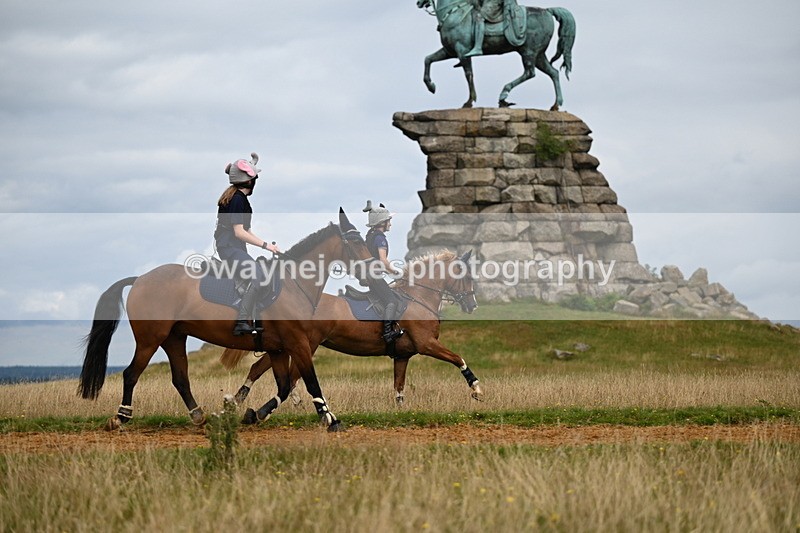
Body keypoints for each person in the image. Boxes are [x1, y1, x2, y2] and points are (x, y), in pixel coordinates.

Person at [214, 152, 280, 336]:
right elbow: (239, 232)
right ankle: (242, 320)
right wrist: (266, 245)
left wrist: (269, 246)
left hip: (235, 247)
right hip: (229, 248)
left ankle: (258, 318)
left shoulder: (239, 198)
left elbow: (247, 231)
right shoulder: (237, 200)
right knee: (258, 276)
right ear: (250, 182)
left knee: (262, 274)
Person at [363, 200, 405, 344]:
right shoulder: (380, 238)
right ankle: (387, 333)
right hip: (375, 277)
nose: (390, 224)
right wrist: (396, 273)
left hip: (370, 275)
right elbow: (383, 261)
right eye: (389, 221)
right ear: (382, 222)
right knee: (391, 301)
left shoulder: (370, 235)